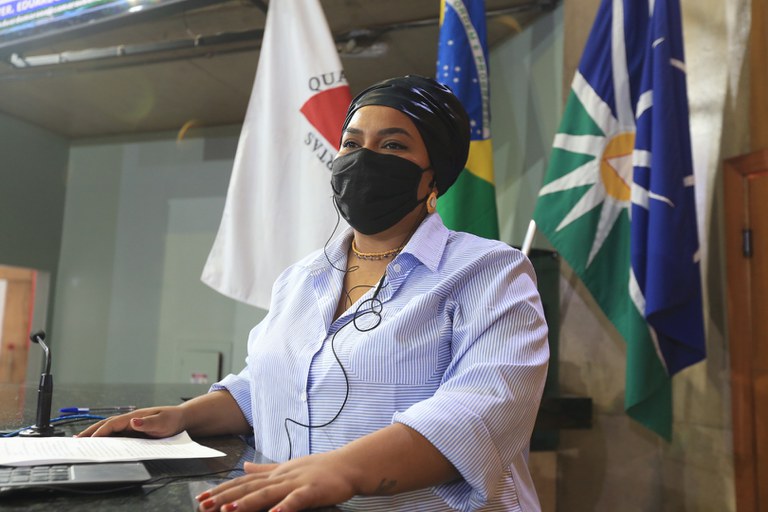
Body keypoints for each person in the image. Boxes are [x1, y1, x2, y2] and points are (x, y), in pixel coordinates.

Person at [79, 75, 549, 512]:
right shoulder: (301, 278)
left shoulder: (489, 271)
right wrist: (182, 417)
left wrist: (345, 470)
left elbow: (482, 408)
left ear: (434, 176)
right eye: (352, 143)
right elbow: (268, 384)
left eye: (393, 144)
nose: (364, 159)